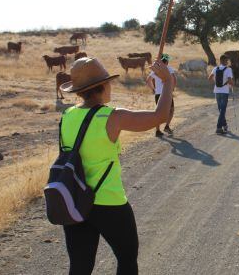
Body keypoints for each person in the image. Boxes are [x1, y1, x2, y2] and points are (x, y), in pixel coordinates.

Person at [58, 57, 173, 275]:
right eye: (108, 83)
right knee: (127, 260)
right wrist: (166, 82)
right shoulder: (112, 117)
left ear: (80, 91)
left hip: (75, 200)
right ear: (101, 86)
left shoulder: (67, 116)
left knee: (80, 268)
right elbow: (161, 116)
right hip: (109, 202)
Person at [145, 53, 177, 137]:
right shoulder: (169, 69)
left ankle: (157, 130)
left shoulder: (155, 70)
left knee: (158, 113)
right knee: (171, 110)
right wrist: (172, 89)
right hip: (167, 93)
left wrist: (153, 89)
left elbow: (148, 80)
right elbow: (174, 80)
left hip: (158, 93)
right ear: (166, 62)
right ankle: (167, 126)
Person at [208, 54, 234, 134]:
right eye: (227, 61)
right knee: (223, 110)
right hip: (224, 92)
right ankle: (219, 128)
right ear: (225, 61)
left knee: (221, 110)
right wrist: (232, 84)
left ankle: (225, 125)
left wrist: (216, 83)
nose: (228, 62)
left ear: (220, 61)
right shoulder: (228, 69)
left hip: (217, 91)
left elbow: (209, 78)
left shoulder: (215, 68)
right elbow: (230, 80)